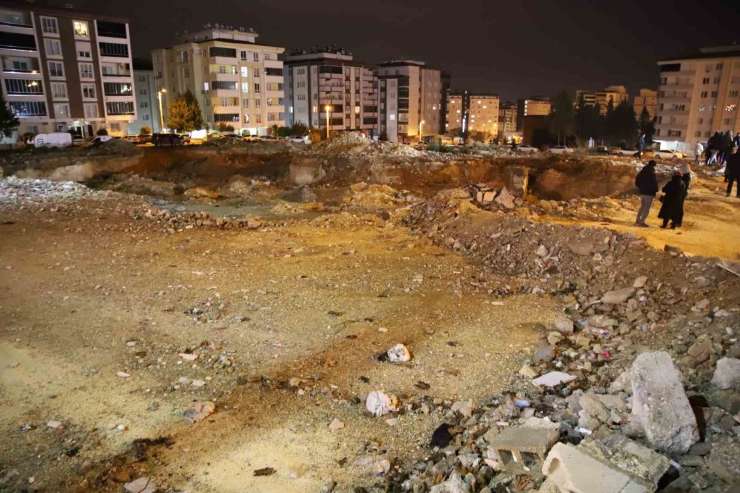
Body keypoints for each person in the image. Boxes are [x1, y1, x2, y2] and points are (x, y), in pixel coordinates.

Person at [635, 160, 659, 227]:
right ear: (654, 165)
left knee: (642, 206)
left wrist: (641, 187)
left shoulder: (642, 172)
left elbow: (637, 182)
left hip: (642, 192)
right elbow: (655, 183)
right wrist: (656, 190)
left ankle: (637, 220)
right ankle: (642, 222)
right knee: (646, 208)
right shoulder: (652, 173)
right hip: (649, 193)